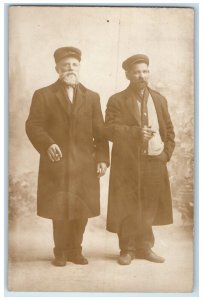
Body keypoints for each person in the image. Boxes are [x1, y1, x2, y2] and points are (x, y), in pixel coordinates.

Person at [26, 46, 109, 267]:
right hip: (57, 164)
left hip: (84, 165)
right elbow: (33, 125)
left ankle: (76, 250)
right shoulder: (43, 94)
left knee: (81, 209)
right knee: (59, 208)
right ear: (57, 69)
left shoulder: (92, 97)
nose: (70, 68)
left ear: (79, 67)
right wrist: (47, 144)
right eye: (65, 65)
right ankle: (60, 251)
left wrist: (102, 158)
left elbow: (100, 133)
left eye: (73, 64)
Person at [104, 54, 175, 265]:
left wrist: (165, 155)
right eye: (136, 72)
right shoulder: (117, 100)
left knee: (149, 206)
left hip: (154, 162)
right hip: (128, 164)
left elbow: (169, 131)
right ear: (127, 75)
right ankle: (127, 249)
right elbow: (108, 129)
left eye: (145, 71)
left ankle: (145, 247)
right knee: (128, 206)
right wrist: (135, 133)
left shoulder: (159, 99)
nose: (141, 76)